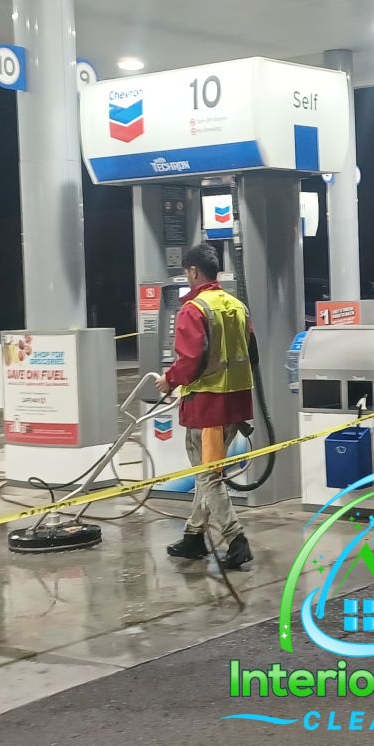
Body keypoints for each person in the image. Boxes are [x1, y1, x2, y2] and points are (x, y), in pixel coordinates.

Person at [156, 242, 255, 570]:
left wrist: (169, 380)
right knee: (207, 473)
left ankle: (236, 538)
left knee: (208, 475)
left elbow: (190, 359)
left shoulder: (194, 309)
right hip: (235, 404)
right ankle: (194, 536)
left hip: (206, 408)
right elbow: (251, 354)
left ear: (193, 272)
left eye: (187, 272)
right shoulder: (237, 306)